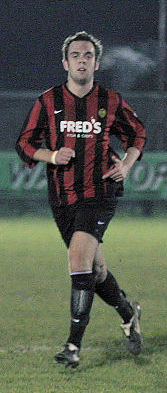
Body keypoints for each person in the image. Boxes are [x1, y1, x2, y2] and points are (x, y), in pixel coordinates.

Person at [16, 31, 147, 368]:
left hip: (99, 192)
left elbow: (137, 135)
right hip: (61, 197)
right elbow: (25, 143)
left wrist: (128, 166)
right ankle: (128, 312)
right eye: (76, 55)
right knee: (96, 269)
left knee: (78, 261)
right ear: (65, 62)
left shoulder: (110, 101)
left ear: (97, 63)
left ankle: (73, 347)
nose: (82, 60)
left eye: (88, 55)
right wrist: (52, 155)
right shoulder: (48, 101)